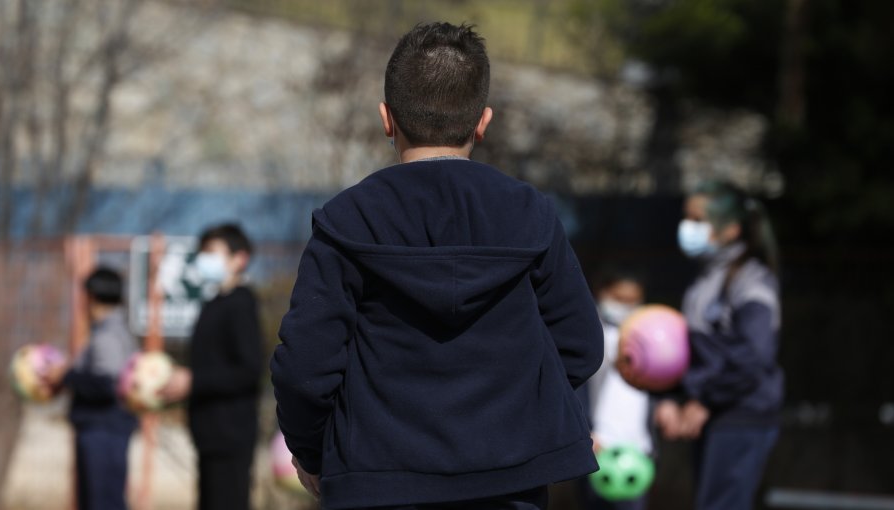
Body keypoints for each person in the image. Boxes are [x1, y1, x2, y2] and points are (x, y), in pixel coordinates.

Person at [271, 22, 604, 510]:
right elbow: (580, 344)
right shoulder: (530, 213)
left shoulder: (348, 219)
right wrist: (517, 420)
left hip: (376, 482)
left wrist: (313, 452)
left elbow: (305, 365)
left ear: (387, 119)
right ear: (483, 122)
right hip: (511, 481)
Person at [655, 181, 783, 510]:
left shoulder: (751, 282)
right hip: (716, 413)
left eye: (698, 220)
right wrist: (672, 397)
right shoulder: (706, 278)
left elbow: (754, 358)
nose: (688, 228)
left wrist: (706, 400)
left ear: (731, 230)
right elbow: (690, 354)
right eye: (687, 218)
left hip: (742, 414)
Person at [160, 224, 264, 510]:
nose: (204, 259)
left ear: (239, 258)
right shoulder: (214, 303)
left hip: (230, 432)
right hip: (209, 433)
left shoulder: (241, 303)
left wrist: (193, 381)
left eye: (212, 252)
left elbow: (248, 369)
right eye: (202, 252)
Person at [45, 267, 138, 510]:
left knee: (103, 502)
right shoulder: (113, 331)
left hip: (103, 430)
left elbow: (106, 384)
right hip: (105, 428)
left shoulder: (108, 335)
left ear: (91, 296)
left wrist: (66, 375)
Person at [576, 271, 651, 510]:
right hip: (598, 446)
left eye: (632, 301)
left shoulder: (649, 336)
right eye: (619, 298)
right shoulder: (588, 334)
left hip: (638, 449)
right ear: (602, 293)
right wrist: (583, 430)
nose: (625, 306)